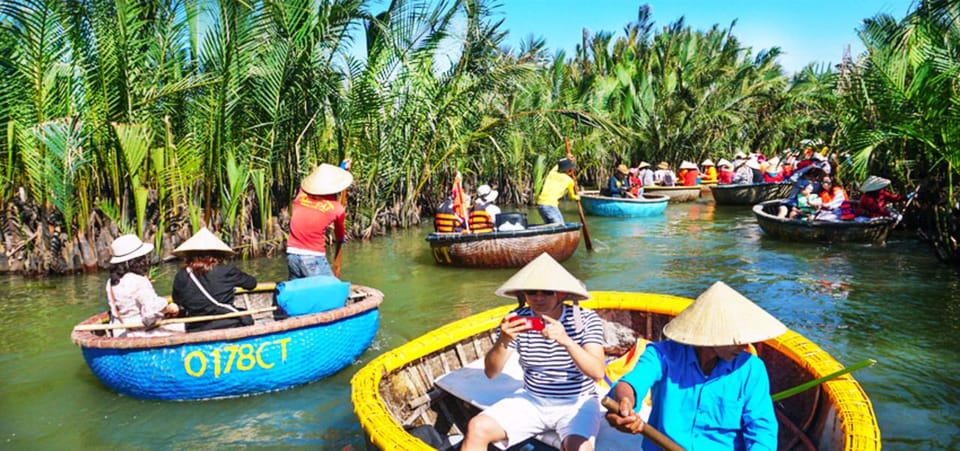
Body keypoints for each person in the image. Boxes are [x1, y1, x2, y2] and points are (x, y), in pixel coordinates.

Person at [604, 281, 783, 450]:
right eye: (735, 339)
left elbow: (762, 431)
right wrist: (624, 403)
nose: (745, 346)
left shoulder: (751, 369)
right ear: (710, 334)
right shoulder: (662, 355)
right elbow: (630, 384)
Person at [463, 253, 605, 451]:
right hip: (533, 399)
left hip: (577, 401)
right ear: (524, 295)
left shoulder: (585, 319)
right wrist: (503, 341)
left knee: (579, 448)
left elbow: (598, 372)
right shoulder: (516, 320)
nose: (538, 298)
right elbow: (491, 372)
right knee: (477, 427)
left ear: (561, 293)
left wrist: (567, 341)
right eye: (532, 292)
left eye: (546, 292)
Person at [172, 228, 258, 332]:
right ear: (218, 254)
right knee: (245, 316)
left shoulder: (181, 275)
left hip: (196, 328)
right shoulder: (227, 270)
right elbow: (252, 284)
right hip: (229, 324)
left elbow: (177, 300)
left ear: (189, 255)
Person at [105, 235, 183, 337]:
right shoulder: (139, 281)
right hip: (140, 332)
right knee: (185, 327)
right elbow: (149, 316)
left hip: (119, 331)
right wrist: (168, 308)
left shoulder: (110, 282)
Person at [287, 163, 354, 279]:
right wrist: (341, 238)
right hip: (313, 258)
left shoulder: (300, 196)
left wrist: (341, 168)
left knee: (298, 292)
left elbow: (313, 185)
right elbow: (339, 235)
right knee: (329, 292)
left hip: (291, 254)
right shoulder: (337, 209)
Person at [536, 158, 580, 224]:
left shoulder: (552, 173)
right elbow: (571, 196)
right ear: (568, 170)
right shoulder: (569, 181)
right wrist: (577, 197)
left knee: (550, 225)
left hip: (540, 204)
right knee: (560, 225)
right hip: (550, 205)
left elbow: (558, 165)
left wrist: (567, 158)